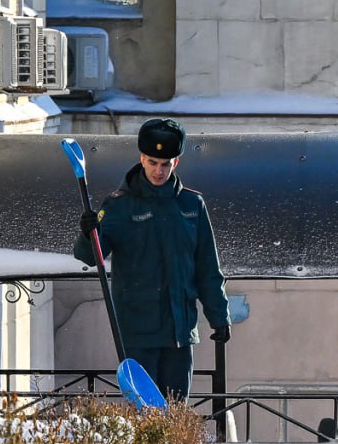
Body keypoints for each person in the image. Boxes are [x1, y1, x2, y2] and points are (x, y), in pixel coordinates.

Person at [73, 117, 231, 402]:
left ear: (176, 164)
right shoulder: (118, 205)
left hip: (180, 333)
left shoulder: (192, 205)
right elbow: (89, 256)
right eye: (153, 162)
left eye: (166, 163)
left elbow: (208, 266)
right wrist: (88, 232)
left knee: (174, 412)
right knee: (144, 414)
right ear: (142, 158)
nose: (159, 171)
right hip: (138, 331)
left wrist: (219, 316)